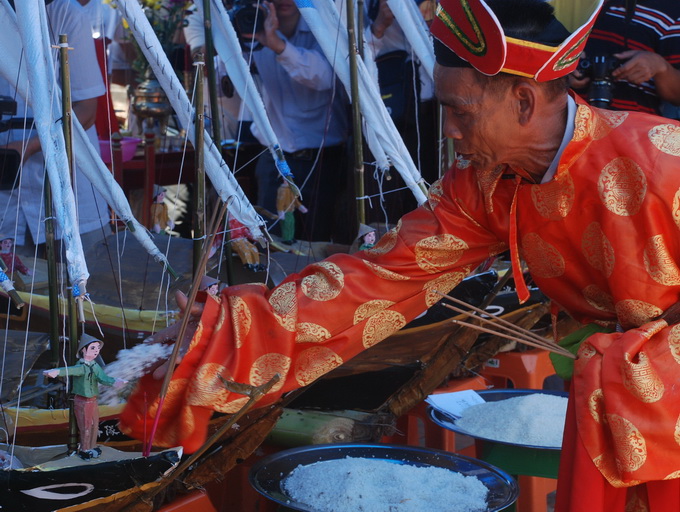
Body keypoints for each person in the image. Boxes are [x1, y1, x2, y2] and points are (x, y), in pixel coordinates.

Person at [119, 1, 680, 511]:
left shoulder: (662, 163)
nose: (450, 131)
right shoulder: (483, 183)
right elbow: (376, 279)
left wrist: (645, 364)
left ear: (524, 101)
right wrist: (230, 330)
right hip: (610, 399)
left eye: (460, 112)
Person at [0, 0, 110, 252]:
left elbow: (86, 111)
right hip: (7, 198)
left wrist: (30, 147)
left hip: (68, 188)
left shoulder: (66, 13)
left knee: (85, 274)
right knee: (12, 275)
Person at [249, 0, 350, 244]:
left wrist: (278, 45)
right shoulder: (250, 24)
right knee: (271, 245)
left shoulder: (322, 24)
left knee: (317, 244)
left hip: (321, 158)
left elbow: (325, 77)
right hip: (274, 157)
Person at [569, 0, 680, 115]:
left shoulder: (672, 9)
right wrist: (562, 68)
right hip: (565, 118)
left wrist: (660, 67)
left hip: (634, 123)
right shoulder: (564, 3)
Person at [44, 334, 126, 460]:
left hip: (93, 400)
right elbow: (70, 370)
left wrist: (115, 381)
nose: (96, 351)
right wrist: (57, 372)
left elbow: (103, 378)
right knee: (85, 427)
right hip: (82, 401)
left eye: (97, 348)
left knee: (94, 426)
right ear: (83, 350)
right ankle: (85, 449)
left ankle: (92, 447)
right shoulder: (81, 367)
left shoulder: (95, 366)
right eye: (93, 348)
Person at [276, 178, 307, 245]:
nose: (286, 182)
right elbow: (280, 201)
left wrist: (300, 207)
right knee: (286, 225)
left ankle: (291, 237)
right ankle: (286, 238)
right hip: (285, 211)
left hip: (291, 211)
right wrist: (280, 211)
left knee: (291, 224)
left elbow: (295, 200)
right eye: (285, 180)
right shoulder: (282, 190)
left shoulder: (291, 190)